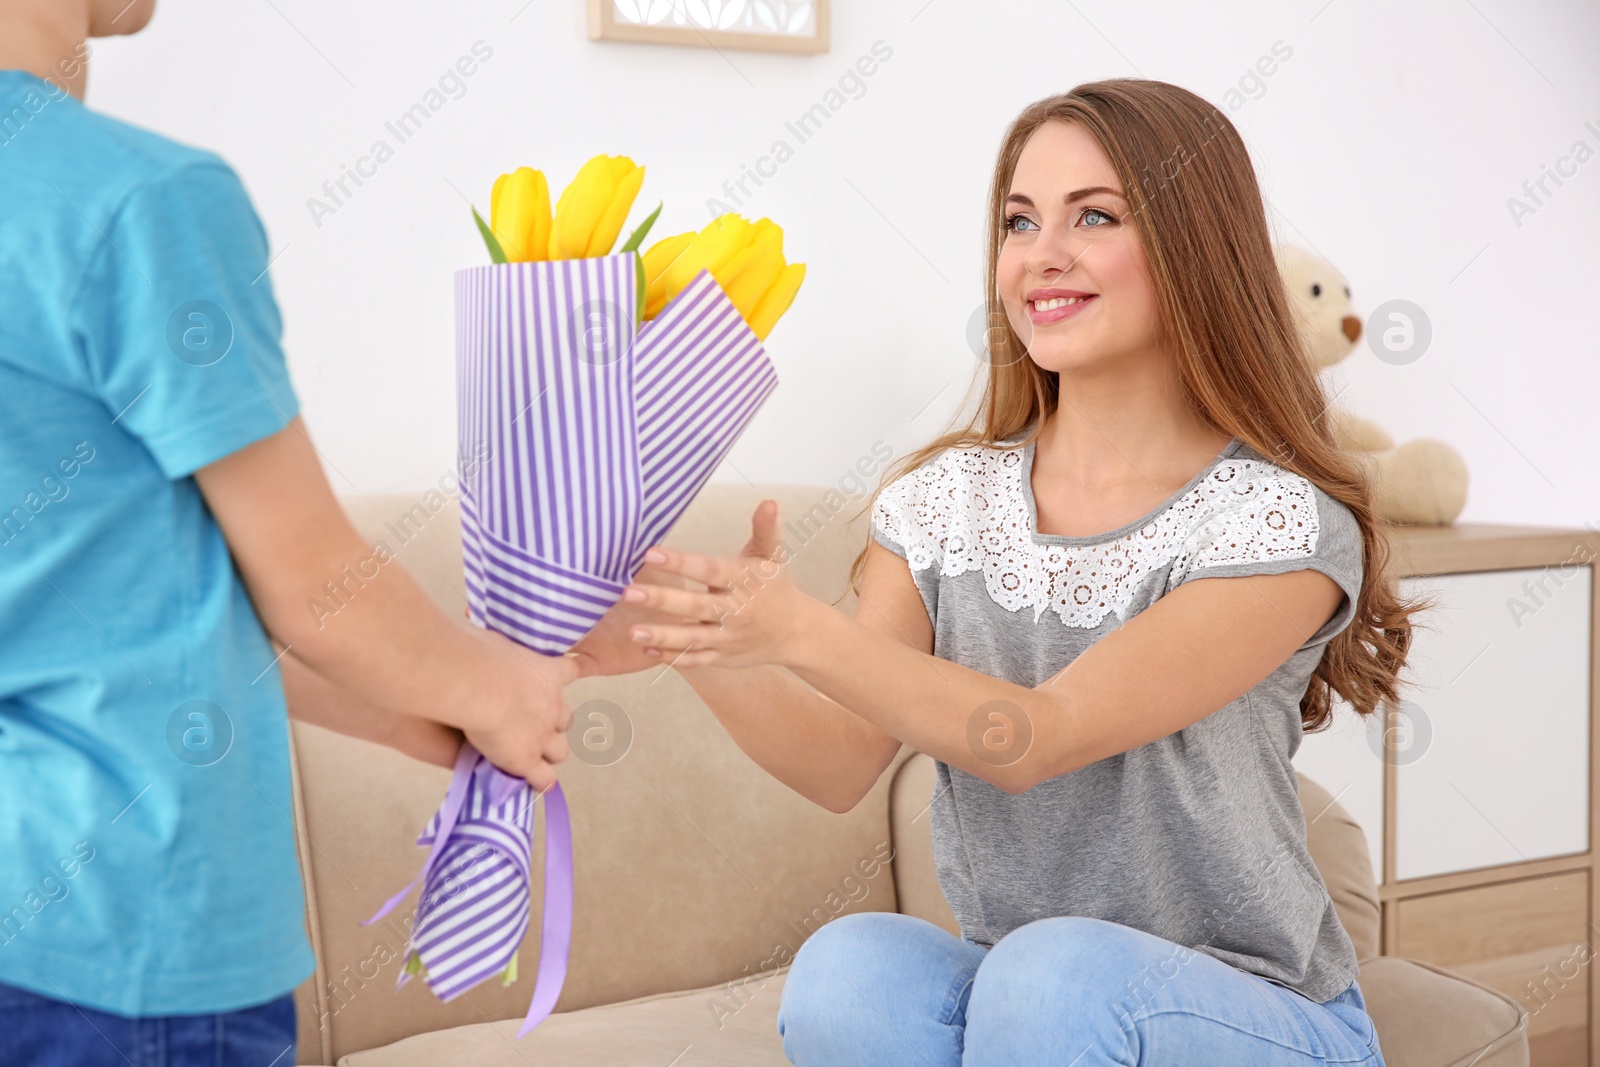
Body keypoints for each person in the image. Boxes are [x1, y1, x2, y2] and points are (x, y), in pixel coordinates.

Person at [572, 79, 1424, 1064]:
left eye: (1093, 216)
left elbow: (1031, 736)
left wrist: (804, 628)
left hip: (1250, 1009)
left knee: (1049, 978)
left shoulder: (1272, 520)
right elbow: (840, 758)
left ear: (1195, 247)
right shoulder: (944, 500)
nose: (1040, 254)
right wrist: (701, 643)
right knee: (849, 972)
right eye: (1019, 222)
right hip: (1035, 1002)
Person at [0, 2, 576, 1064]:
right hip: (126, 937)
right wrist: (498, 690)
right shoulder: (141, 201)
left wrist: (429, 714)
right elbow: (319, 586)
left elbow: (139, 598)